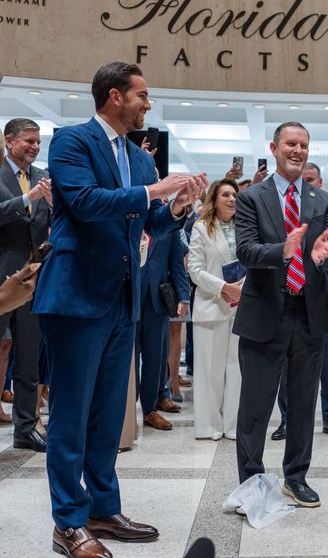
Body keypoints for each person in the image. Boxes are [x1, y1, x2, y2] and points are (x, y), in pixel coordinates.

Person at [33, 61, 206, 558]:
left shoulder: (140, 156)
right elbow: (86, 203)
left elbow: (148, 221)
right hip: (76, 295)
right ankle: (67, 521)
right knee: (70, 413)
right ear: (114, 97)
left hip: (123, 298)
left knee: (110, 413)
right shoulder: (71, 142)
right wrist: (156, 192)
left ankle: (102, 508)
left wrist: (173, 208)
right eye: (142, 95)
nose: (148, 104)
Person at [233, 122, 328, 508]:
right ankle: (251, 484)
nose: (298, 151)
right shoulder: (251, 198)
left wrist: (327, 256)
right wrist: (283, 250)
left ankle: (296, 477)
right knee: (256, 407)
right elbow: (245, 251)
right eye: (291, 144)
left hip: (310, 315)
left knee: (301, 403)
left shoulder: (322, 199)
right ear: (274, 147)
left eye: (304, 145)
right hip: (265, 314)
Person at [269, 162, 328, 442]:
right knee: (288, 366)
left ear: (320, 181)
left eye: (313, 180)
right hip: (291, 299)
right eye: (305, 180)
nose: (309, 185)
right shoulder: (286, 209)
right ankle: (287, 419)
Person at [0, 118, 51, 452]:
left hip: (32, 282)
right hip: (1, 279)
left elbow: (45, 223)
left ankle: (26, 427)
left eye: (37, 142)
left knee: (29, 356)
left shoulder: (42, 178)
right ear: (9, 141)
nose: (34, 147)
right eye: (28, 141)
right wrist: (26, 199)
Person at [188, 178, 242, 441]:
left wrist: (242, 290)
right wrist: (224, 288)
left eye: (235, 195)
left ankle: (232, 424)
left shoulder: (246, 228)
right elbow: (195, 270)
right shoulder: (201, 228)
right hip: (211, 305)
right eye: (226, 195)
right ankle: (210, 426)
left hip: (241, 305)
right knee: (210, 370)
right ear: (214, 199)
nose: (232, 199)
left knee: (236, 368)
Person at [136, 224, 190, 431]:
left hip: (156, 301)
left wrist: (183, 297)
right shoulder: (128, 218)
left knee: (154, 357)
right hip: (128, 298)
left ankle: (150, 409)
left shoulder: (169, 226)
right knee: (128, 357)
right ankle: (126, 407)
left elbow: (177, 264)